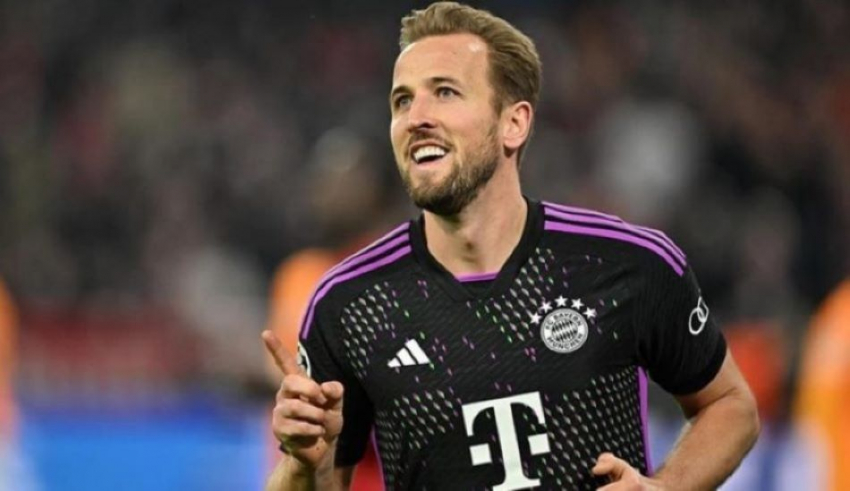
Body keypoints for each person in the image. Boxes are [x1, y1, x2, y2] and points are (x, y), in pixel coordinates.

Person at [262, 2, 759, 489]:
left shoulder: (627, 264)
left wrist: (666, 488)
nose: (416, 117)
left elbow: (730, 404)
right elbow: (320, 481)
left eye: (445, 92)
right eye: (402, 100)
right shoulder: (349, 304)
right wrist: (304, 468)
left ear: (514, 123)